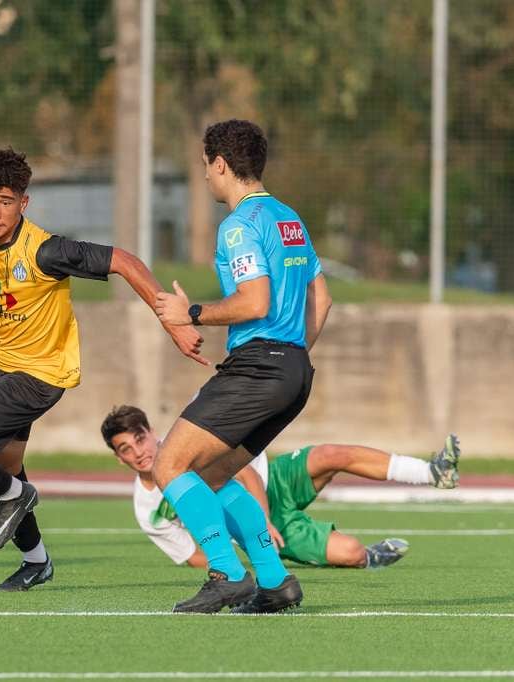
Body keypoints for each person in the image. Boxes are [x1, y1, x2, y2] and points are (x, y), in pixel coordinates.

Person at [0, 147, 205, 592]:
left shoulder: (46, 250)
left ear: (24, 203)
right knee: (7, 464)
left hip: (40, 375)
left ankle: (14, 497)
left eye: (5, 201)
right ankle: (36, 560)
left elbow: (125, 262)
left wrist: (172, 321)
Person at [152, 119, 331, 613]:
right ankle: (274, 580)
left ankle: (227, 573)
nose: (206, 177)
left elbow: (254, 301)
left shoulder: (239, 225)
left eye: (206, 167)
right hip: (293, 370)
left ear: (221, 164)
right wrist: (292, 354)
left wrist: (190, 313)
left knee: (168, 465)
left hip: (260, 365)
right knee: (208, 477)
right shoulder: (289, 217)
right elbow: (323, 297)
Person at [100, 405, 461, 570]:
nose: (139, 452)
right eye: (126, 449)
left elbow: (246, 475)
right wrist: (249, 554)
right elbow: (191, 556)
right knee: (350, 552)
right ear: (119, 459)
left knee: (332, 453)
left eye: (140, 439)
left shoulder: (183, 448)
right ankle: (371, 558)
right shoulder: (146, 509)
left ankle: (432, 472)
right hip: (259, 529)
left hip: (270, 485)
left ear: (152, 433)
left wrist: (263, 520)